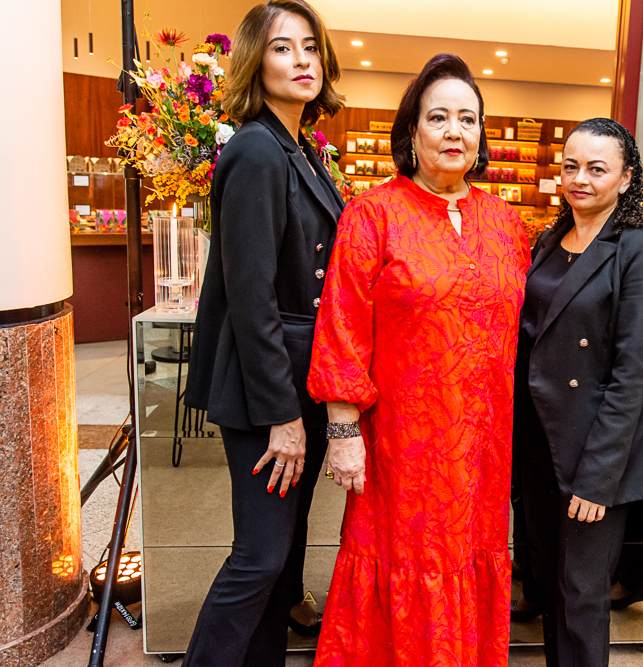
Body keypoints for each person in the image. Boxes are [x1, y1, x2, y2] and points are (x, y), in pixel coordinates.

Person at [307, 53, 531, 666]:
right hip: (402, 444)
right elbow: (342, 327)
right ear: (412, 131)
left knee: (471, 552)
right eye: (439, 117)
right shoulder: (373, 214)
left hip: (483, 445)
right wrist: (343, 433)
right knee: (401, 557)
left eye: (468, 118)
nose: (455, 131)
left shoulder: (505, 222)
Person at [181, 1, 345, 664]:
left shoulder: (296, 147)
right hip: (267, 387)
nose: (302, 60)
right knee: (260, 556)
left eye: (310, 47)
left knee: (285, 555)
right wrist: (283, 415)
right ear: (256, 61)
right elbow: (251, 299)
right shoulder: (255, 150)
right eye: (283, 48)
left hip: (298, 376)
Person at [513, 117, 643, 667]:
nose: (580, 179)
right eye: (571, 166)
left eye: (597, 169)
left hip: (595, 452)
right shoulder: (551, 239)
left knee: (581, 594)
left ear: (626, 179)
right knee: (548, 583)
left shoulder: (642, 249)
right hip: (539, 441)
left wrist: (599, 479)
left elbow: (633, 374)